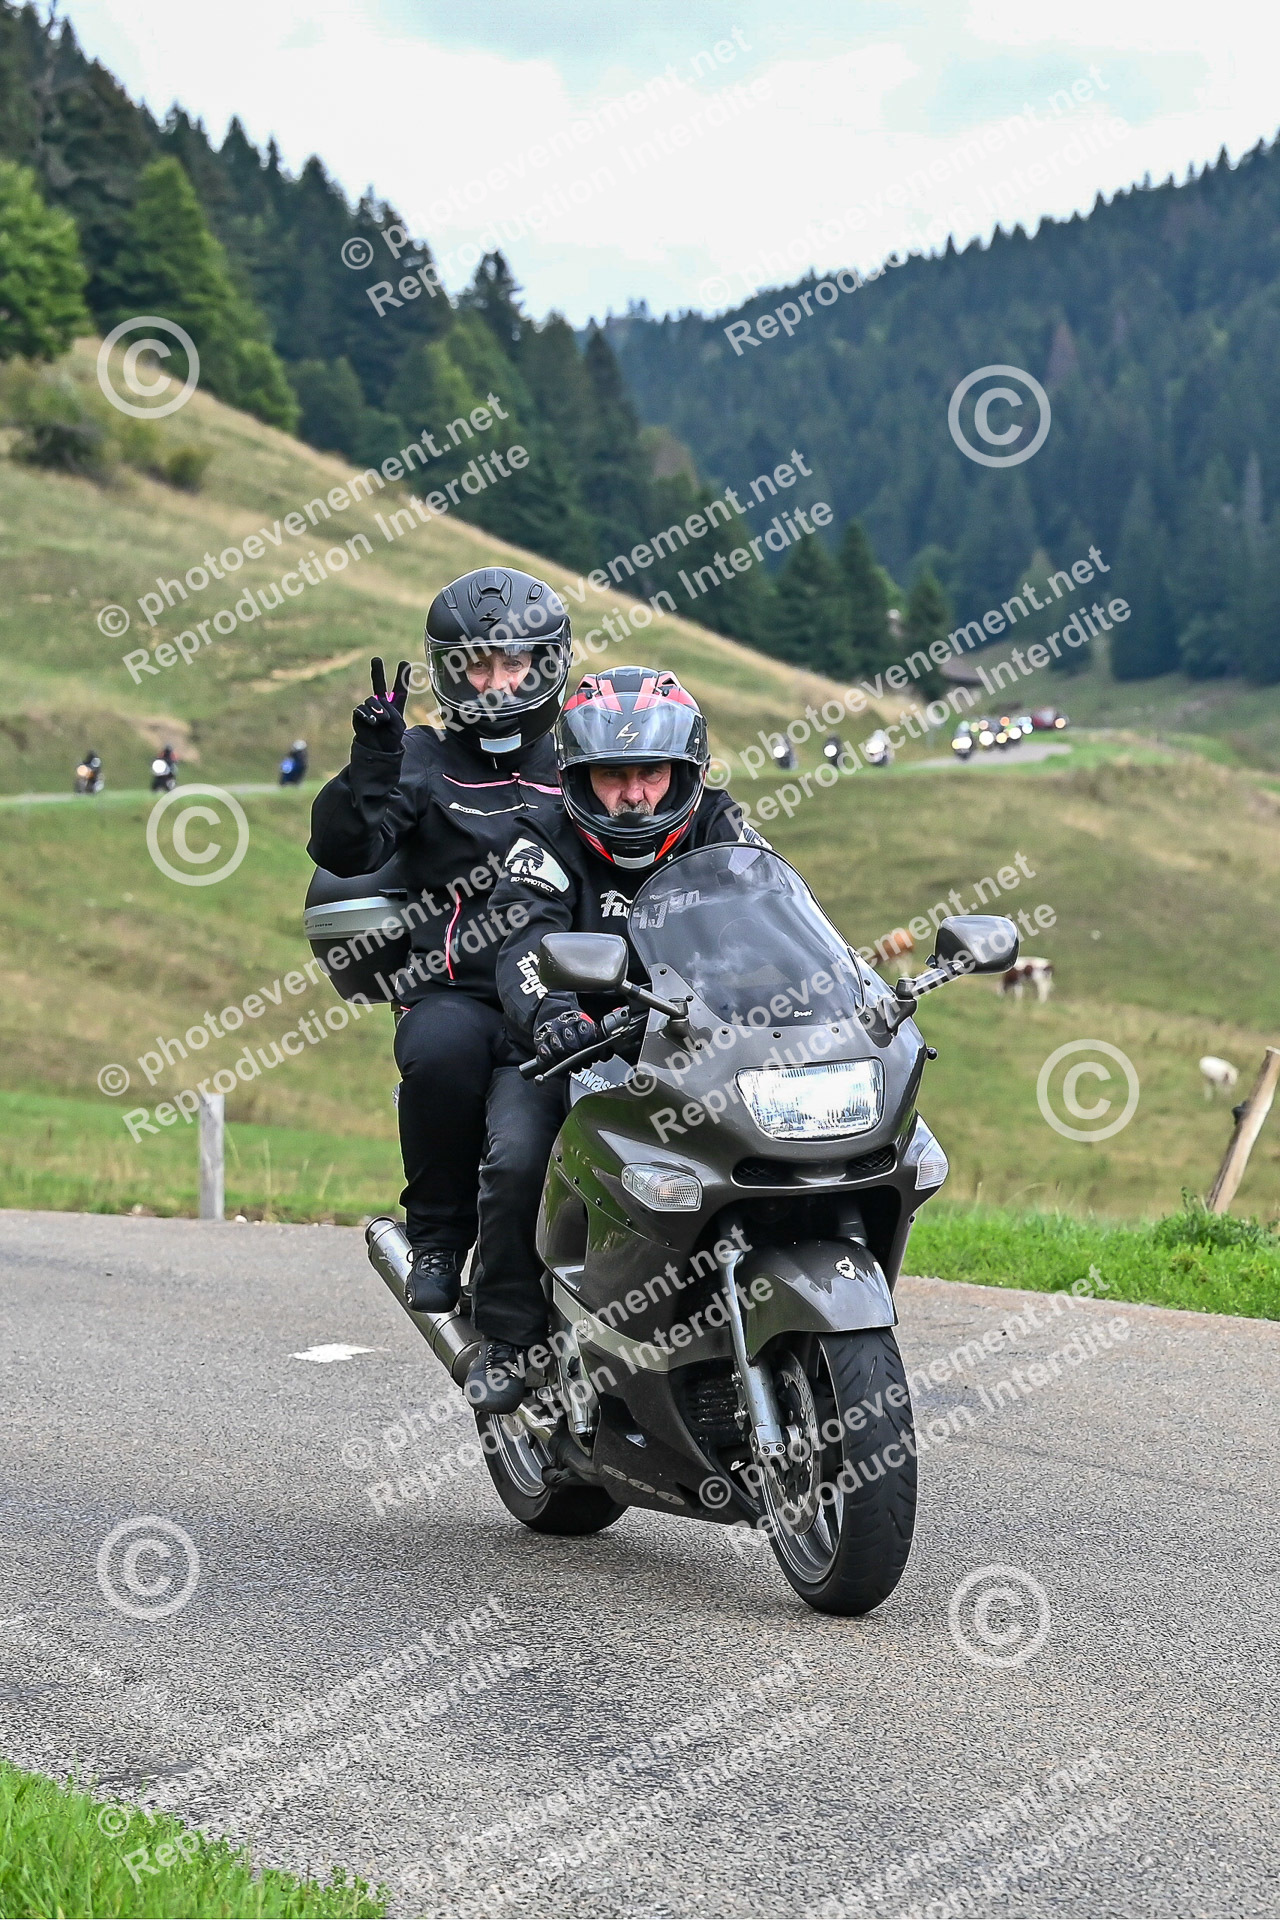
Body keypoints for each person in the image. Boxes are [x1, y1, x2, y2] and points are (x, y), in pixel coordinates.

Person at [475, 665, 759, 1413]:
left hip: (695, 1044)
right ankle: (506, 1335)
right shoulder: (543, 839)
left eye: (651, 774)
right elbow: (522, 941)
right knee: (518, 1159)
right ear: (578, 776)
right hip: (568, 1048)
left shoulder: (722, 826)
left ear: (685, 773)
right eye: (613, 776)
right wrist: (553, 1013)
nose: (635, 795)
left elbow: (777, 914)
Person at [307, 566, 571, 1312]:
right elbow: (345, 851)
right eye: (476, 665)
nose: (497, 684)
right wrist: (372, 766)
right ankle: (438, 1238)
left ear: (548, 664)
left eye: (514, 663)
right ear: (448, 672)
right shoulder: (421, 759)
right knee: (439, 1052)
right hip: (458, 993)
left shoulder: (582, 761)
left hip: (570, 993)